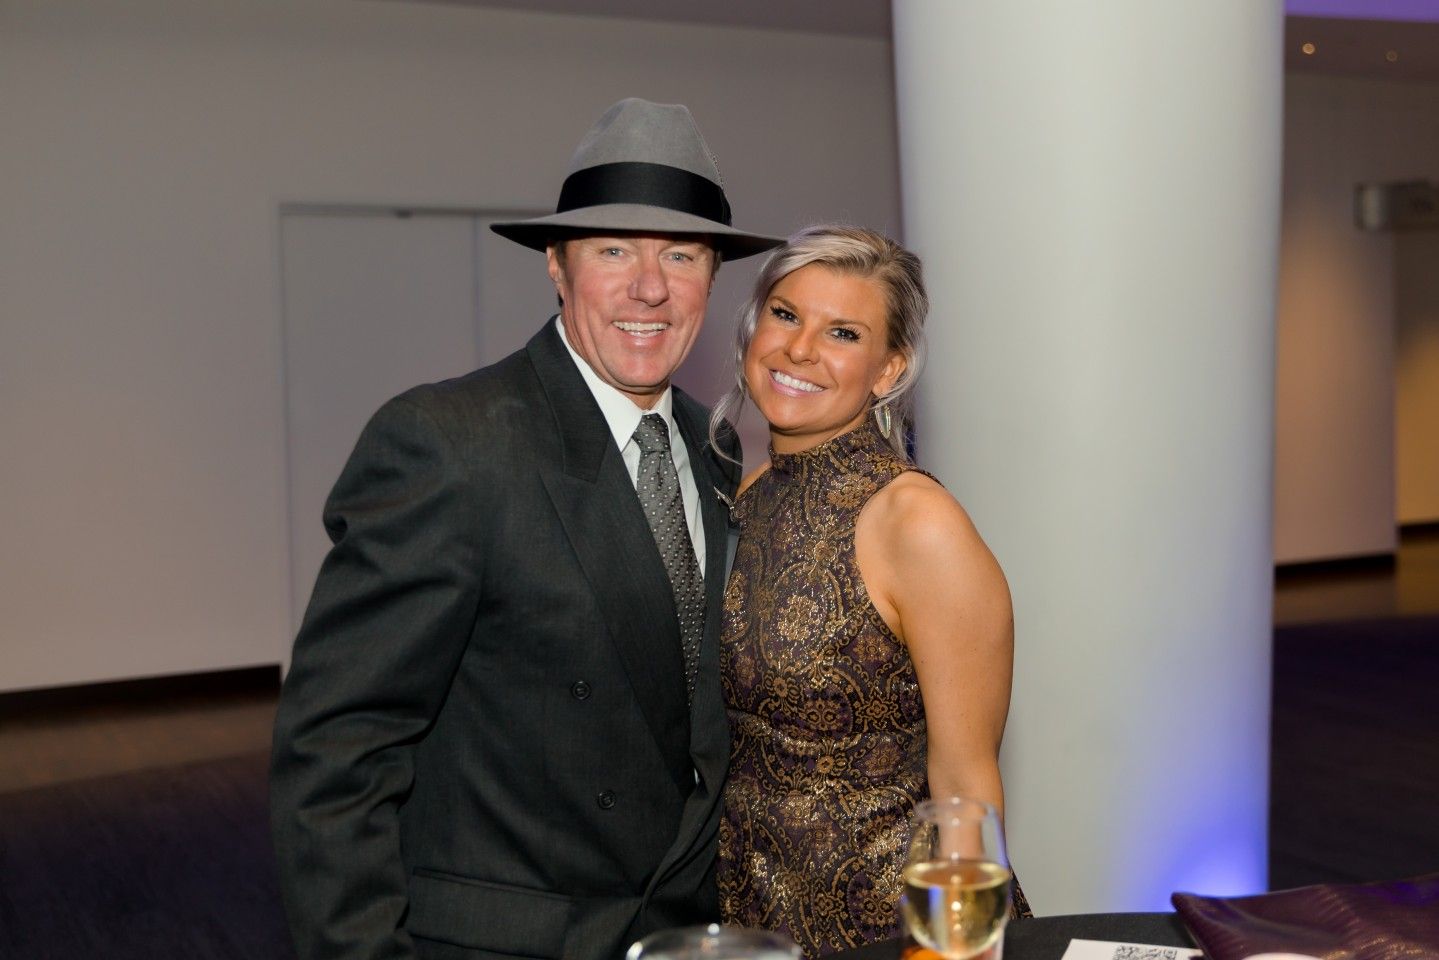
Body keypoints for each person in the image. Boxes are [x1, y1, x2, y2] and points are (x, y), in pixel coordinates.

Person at [269, 98, 782, 960]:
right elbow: (337, 752)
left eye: (681, 255)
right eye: (613, 249)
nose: (648, 287)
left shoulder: (718, 450)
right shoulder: (449, 444)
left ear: (713, 277)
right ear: (555, 263)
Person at [712, 225, 1030, 956]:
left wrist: (954, 943)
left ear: (887, 370)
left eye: (842, 333)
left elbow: (964, 779)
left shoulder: (913, 518)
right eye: (785, 314)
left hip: (885, 927)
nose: (799, 349)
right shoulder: (749, 492)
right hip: (752, 911)